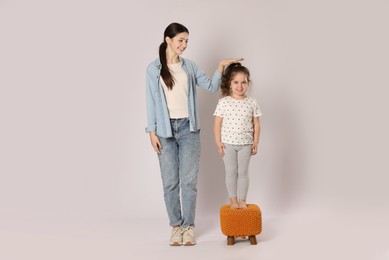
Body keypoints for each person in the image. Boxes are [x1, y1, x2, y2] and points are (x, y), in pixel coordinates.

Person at [145, 22, 242, 246]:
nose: (185, 45)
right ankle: (175, 227)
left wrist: (220, 67)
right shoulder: (153, 69)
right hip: (164, 131)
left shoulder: (189, 67)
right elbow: (150, 102)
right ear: (168, 40)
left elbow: (209, 86)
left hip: (189, 129)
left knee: (188, 182)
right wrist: (151, 132)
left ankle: (188, 227)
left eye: (187, 41)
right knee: (170, 183)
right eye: (181, 40)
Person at [213, 62, 262, 209]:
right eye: (236, 82)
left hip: (246, 144)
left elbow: (257, 124)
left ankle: (242, 200)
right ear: (230, 83)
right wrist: (218, 143)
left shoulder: (252, 102)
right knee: (231, 172)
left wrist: (256, 142)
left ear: (248, 84)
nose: (239, 86)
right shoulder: (223, 102)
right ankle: (233, 200)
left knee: (243, 172)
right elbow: (217, 124)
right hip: (228, 144)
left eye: (243, 82)